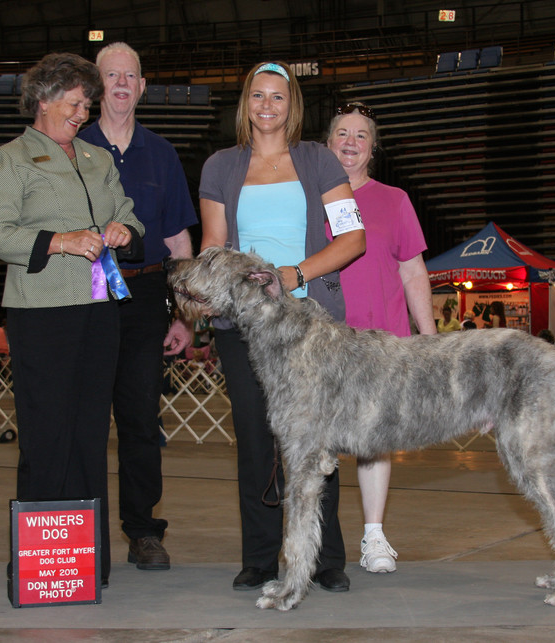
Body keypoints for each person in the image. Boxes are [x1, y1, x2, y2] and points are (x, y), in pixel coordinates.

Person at [0, 52, 145, 587]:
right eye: (75, 103)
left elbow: (129, 211)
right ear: (44, 100)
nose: (83, 112)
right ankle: (37, 565)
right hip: (41, 315)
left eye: (86, 104)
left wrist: (123, 230)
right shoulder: (11, 159)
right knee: (47, 435)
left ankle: (85, 563)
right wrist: (58, 241)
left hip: (100, 312)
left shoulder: (97, 158)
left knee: (92, 434)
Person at [199, 61, 365, 592]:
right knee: (254, 438)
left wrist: (294, 273)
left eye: (278, 97)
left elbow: (352, 238)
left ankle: (326, 557)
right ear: (244, 103)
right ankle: (261, 555)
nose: (267, 106)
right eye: (257, 96)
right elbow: (213, 245)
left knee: (318, 441)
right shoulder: (221, 165)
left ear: (292, 106)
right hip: (245, 327)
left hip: (312, 324)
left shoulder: (317, 160)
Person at [78, 42, 197, 572]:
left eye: (131, 76)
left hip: (147, 296)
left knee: (141, 421)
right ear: (97, 86)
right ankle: (82, 533)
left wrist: (186, 314)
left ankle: (144, 530)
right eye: (111, 75)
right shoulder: (72, 145)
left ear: (143, 86)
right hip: (83, 294)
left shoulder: (162, 153)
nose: (122, 84)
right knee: (80, 418)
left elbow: (178, 241)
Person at [326, 102, 436, 573]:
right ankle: (322, 544)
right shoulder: (311, 197)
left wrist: (430, 341)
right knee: (321, 445)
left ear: (373, 148)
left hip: (384, 344)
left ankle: (374, 536)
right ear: (327, 143)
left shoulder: (394, 200)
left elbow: (413, 272)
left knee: (374, 441)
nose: (350, 142)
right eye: (342, 134)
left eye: (361, 136)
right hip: (324, 343)